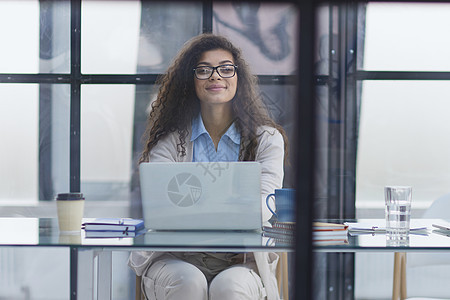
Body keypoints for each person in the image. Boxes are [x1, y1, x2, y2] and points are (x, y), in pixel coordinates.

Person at [129, 33, 288, 300]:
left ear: (239, 78)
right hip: (176, 257)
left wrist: (199, 213)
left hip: (241, 258)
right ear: (191, 81)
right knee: (188, 282)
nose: (216, 76)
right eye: (204, 70)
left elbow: (264, 205)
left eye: (226, 69)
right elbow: (161, 208)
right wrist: (232, 209)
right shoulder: (169, 142)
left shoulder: (267, 140)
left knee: (230, 288)